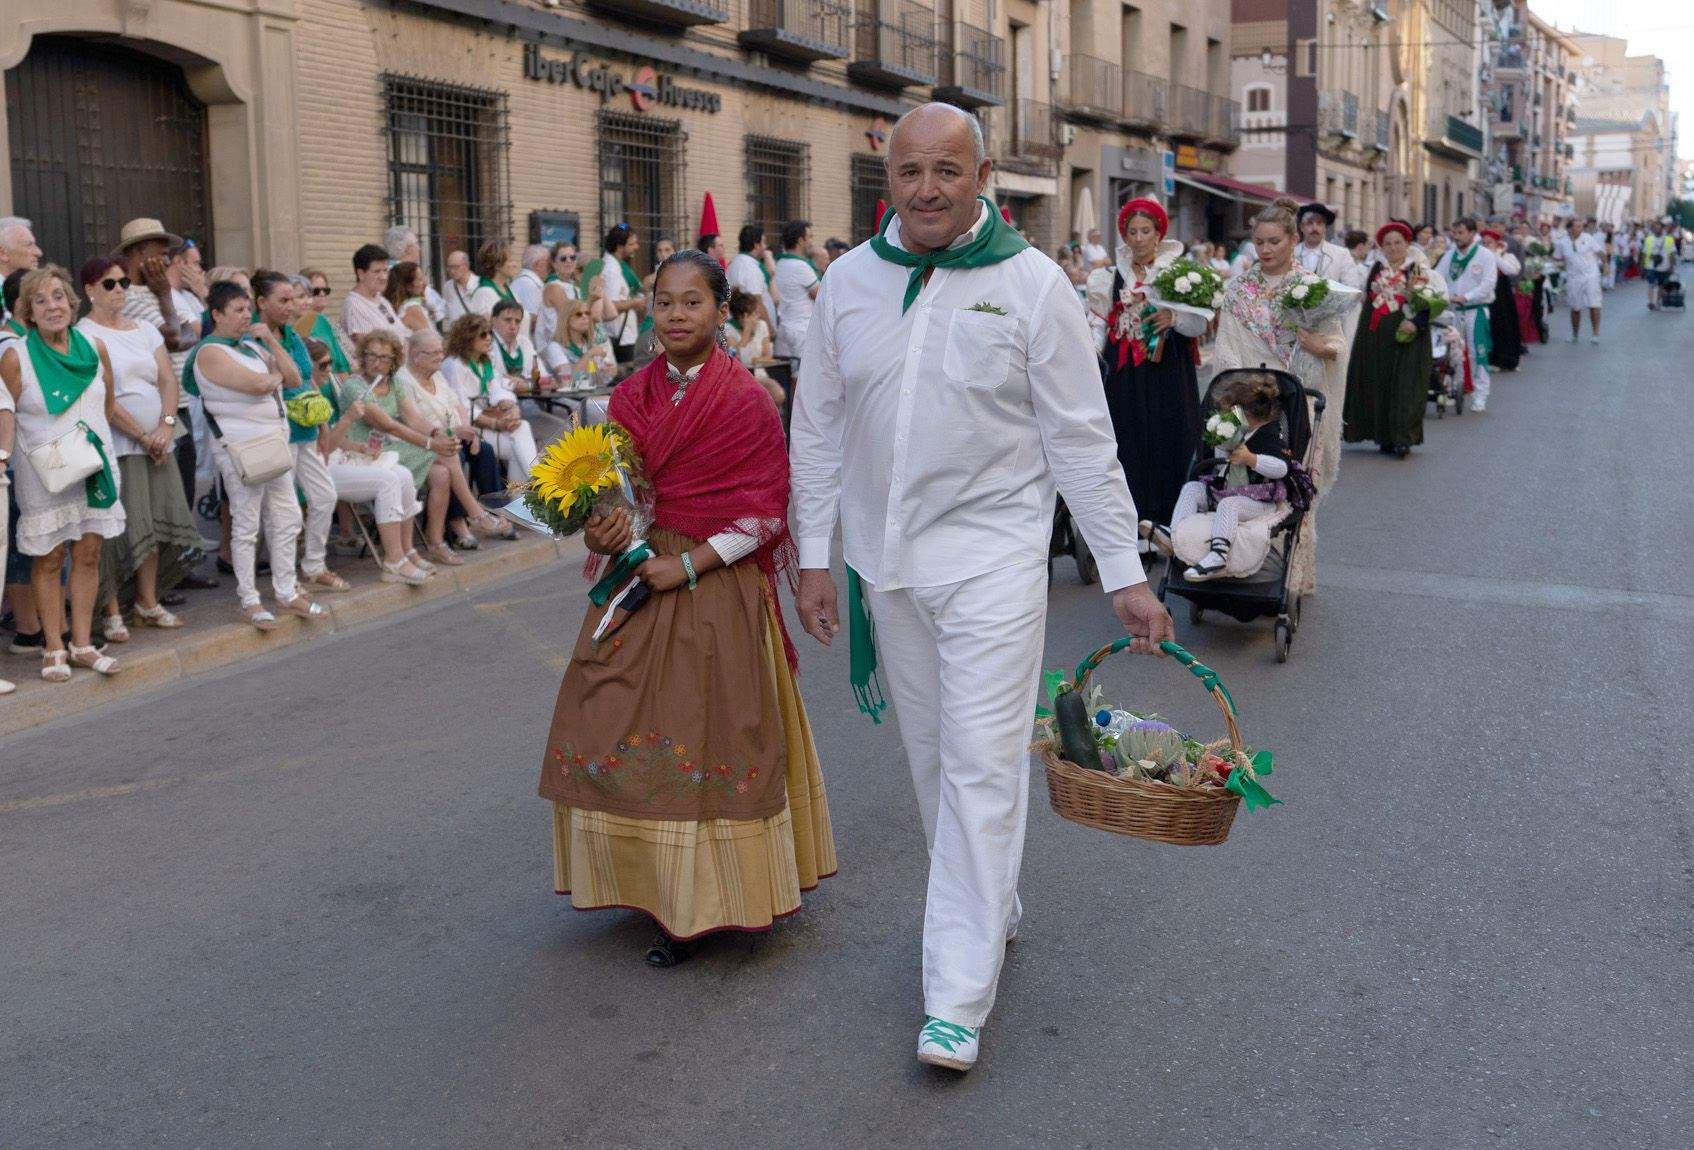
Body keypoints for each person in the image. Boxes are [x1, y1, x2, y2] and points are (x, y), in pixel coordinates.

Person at [789, 103, 1173, 1072]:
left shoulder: (1032, 286)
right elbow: (818, 425)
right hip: (887, 566)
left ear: (981, 174)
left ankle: (955, 991)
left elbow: (1081, 443)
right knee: (930, 758)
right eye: (909, 171)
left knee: (978, 762)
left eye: (945, 171)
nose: (926, 189)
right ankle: (988, 900)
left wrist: (1121, 571)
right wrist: (811, 550)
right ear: (887, 178)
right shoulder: (846, 283)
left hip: (996, 562)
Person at [539, 248, 836, 965]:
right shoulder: (631, 396)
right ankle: (648, 886)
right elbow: (620, 494)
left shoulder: (745, 400)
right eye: (664, 302)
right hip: (641, 571)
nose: (676, 315)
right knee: (606, 711)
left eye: (692, 302)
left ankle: (708, 903)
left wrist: (690, 565)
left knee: (707, 732)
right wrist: (606, 526)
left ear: (722, 311)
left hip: (715, 584)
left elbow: (767, 512)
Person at [1212, 195, 1348, 595]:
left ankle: (1291, 575)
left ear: (1293, 239)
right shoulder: (1238, 289)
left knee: (1294, 487)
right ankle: (1242, 565)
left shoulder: (1312, 289)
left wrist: (1318, 346)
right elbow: (1226, 347)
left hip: (1298, 399)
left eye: (1274, 241)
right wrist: (1237, 390)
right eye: (1260, 242)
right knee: (1244, 481)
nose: (1266, 250)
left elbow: (1336, 344)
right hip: (1249, 402)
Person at [3, 266, 128, 680]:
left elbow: (107, 406)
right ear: (29, 313)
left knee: (89, 554)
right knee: (49, 557)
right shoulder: (16, 356)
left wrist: (90, 442)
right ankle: (53, 645)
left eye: (58, 297)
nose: (52, 306)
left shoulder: (95, 346)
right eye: (41, 301)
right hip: (45, 474)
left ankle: (82, 644)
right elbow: (7, 415)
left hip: (93, 467)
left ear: (71, 304)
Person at [190, 280, 327, 631]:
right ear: (216, 314)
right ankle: (249, 599)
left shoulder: (252, 346)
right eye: (237, 310)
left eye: (247, 308)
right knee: (247, 523)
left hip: (272, 444)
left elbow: (297, 376)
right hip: (241, 449)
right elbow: (257, 385)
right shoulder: (210, 351)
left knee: (287, 516)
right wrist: (274, 377)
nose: (245, 315)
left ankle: (285, 591)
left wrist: (269, 341)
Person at [76, 257, 202, 635]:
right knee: (118, 527)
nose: (119, 290)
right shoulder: (84, 333)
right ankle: (111, 608)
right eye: (110, 284)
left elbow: (167, 379)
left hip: (160, 440)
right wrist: (143, 437)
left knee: (155, 522)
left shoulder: (146, 329)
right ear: (89, 290)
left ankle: (147, 601)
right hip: (119, 443)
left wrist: (164, 428)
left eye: (124, 283)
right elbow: (103, 397)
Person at [1094, 198, 1206, 555]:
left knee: (1171, 437)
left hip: (1168, 370)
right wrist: (1092, 356)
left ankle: (1173, 524)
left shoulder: (1179, 273)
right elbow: (1098, 322)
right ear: (1124, 235)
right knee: (1128, 441)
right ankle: (1135, 523)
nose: (1139, 238)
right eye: (1132, 232)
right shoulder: (1110, 276)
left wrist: (1174, 319)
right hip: (1126, 374)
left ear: (1159, 233)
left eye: (1146, 231)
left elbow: (1198, 323)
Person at [1148, 370, 1311, 579]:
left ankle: (1218, 556)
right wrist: (1222, 445)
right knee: (1192, 488)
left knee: (1229, 504)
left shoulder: (1270, 435)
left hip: (1259, 500)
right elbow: (1221, 464)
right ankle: (1174, 532)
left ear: (1245, 413)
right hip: (1228, 489)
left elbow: (1282, 468)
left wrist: (1252, 459)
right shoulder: (1240, 432)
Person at [250, 270, 348, 594]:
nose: (292, 307)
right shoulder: (254, 336)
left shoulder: (291, 335)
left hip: (306, 430)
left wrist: (323, 425)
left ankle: (313, 566)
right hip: (280, 433)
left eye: (293, 299)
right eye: (284, 300)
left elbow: (306, 381)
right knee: (285, 513)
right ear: (262, 303)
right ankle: (285, 579)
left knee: (324, 496)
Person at [305, 338, 432, 586]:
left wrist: (359, 447)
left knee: (404, 475)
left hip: (335, 460)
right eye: (323, 365)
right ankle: (393, 561)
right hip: (317, 468)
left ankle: (405, 552)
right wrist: (349, 418)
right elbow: (326, 446)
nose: (329, 370)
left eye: (330, 363)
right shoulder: (306, 396)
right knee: (387, 481)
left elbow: (334, 442)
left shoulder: (317, 391)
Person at [336, 329, 459, 572]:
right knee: (441, 457)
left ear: (394, 362)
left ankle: (434, 541)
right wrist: (431, 444)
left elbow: (413, 418)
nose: (377, 362)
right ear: (362, 356)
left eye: (385, 358)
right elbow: (387, 424)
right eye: (372, 356)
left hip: (390, 447)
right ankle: (409, 549)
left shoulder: (395, 383)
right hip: (361, 450)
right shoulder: (354, 385)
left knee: (442, 473)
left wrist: (436, 434)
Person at [395, 328, 511, 554]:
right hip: (422, 439)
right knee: (452, 452)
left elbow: (456, 404)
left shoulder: (437, 374)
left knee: (484, 450)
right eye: (434, 353)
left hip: (448, 432)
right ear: (417, 355)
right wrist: (448, 433)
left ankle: (495, 511)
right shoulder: (403, 380)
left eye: (441, 351)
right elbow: (414, 421)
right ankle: (462, 523)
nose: (441, 356)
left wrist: (468, 430)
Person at [1342, 221, 1447, 458]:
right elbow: (1367, 300)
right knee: (1380, 383)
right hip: (1377, 336)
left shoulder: (1418, 269)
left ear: (1407, 244)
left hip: (1408, 334)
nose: (1392, 247)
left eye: (1397, 242)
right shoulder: (1376, 268)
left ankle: (1403, 438)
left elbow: (1428, 302)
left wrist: (1416, 323)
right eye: (1387, 243)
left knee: (1405, 386)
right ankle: (1384, 436)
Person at [441, 313, 539, 489]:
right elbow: (461, 407)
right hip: (468, 427)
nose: (489, 339)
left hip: (491, 420)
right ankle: (538, 484)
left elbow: (499, 390)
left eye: (490, 334)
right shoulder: (453, 364)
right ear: (467, 337)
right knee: (519, 446)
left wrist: (511, 409)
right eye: (483, 335)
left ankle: (522, 497)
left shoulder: (485, 362)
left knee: (521, 428)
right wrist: (495, 423)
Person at [1435, 218, 1499, 413]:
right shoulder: (1449, 256)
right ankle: (1456, 390)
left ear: (1472, 233)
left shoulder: (1485, 255)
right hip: (1452, 311)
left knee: (1476, 353)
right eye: (1454, 232)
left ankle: (1480, 396)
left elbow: (1488, 283)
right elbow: (1437, 277)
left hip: (1475, 310)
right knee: (1453, 353)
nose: (1456, 236)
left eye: (1461, 232)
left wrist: (1466, 296)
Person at [726, 290, 786, 410]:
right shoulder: (728, 329)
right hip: (738, 377)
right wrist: (747, 332)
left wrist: (756, 360)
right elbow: (734, 356)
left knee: (778, 394)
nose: (757, 317)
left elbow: (768, 356)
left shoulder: (762, 325)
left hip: (759, 374)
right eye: (753, 313)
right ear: (742, 316)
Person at [772, 220, 822, 363]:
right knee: (802, 381)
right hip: (801, 331)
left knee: (787, 379)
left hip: (783, 330)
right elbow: (820, 295)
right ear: (801, 240)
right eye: (810, 237)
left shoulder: (780, 263)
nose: (812, 242)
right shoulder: (801, 266)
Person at [597, 225, 646, 364]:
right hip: (619, 336)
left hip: (624, 335)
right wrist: (635, 302)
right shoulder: (611, 270)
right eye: (632, 244)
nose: (636, 247)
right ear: (619, 246)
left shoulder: (616, 265)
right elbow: (611, 306)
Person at [1553, 217, 1605, 344]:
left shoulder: (1588, 238)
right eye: (1577, 226)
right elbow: (1557, 258)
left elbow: (1600, 253)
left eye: (1581, 226)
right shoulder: (1562, 242)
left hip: (1591, 275)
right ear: (1570, 228)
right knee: (1575, 307)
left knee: (1594, 304)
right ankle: (1575, 335)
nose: (1580, 229)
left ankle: (1595, 334)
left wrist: (1606, 265)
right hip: (1573, 277)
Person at [384, 226, 447, 328]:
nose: (419, 248)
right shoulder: (409, 274)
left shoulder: (384, 272)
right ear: (408, 249)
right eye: (417, 243)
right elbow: (438, 308)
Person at [341, 244, 407, 342]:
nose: (383, 277)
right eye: (377, 272)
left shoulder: (380, 299)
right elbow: (366, 350)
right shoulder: (354, 306)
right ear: (361, 274)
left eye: (385, 270)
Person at [544, 299, 616, 382]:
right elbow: (568, 378)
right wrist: (589, 354)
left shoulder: (591, 344)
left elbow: (599, 379)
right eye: (578, 314)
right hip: (567, 394)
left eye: (587, 313)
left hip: (592, 392)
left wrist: (610, 371)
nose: (584, 317)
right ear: (566, 320)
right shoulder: (554, 347)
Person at [489, 297, 550, 396]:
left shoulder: (524, 343)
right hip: (502, 404)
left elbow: (543, 377)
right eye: (507, 320)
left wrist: (527, 385)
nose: (513, 326)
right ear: (493, 320)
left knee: (578, 407)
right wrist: (529, 384)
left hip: (533, 398)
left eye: (517, 322)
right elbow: (492, 380)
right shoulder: (486, 343)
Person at [1482, 229, 1523, 374]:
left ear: (1496, 243)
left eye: (1489, 243)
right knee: (1490, 325)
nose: (1486, 245)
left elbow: (1511, 270)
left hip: (1502, 293)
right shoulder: (1479, 257)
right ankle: (1491, 358)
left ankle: (1508, 360)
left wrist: (1495, 255)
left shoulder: (1507, 255)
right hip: (1487, 292)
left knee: (1506, 325)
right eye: (1484, 243)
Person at [727, 225, 774, 335]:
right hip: (751, 332)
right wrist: (770, 330)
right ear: (756, 245)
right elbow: (756, 301)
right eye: (764, 243)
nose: (765, 247)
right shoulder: (748, 267)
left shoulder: (739, 262)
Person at [465, 240, 521, 324]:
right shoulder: (484, 293)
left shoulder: (509, 290)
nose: (515, 265)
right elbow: (483, 328)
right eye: (510, 261)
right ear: (497, 265)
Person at [512, 243, 550, 340]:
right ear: (538, 265)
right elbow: (531, 321)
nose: (551, 267)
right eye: (548, 262)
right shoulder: (528, 284)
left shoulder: (528, 282)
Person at [383, 261, 433, 333]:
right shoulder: (412, 308)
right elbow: (431, 339)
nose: (425, 283)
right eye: (420, 279)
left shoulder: (392, 306)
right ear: (408, 286)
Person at [1643, 219, 1675, 310]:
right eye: (1655, 228)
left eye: (1658, 228)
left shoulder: (1669, 239)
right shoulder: (1648, 239)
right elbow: (1644, 253)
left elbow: (1671, 254)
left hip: (1664, 266)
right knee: (1651, 284)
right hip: (1651, 266)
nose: (1657, 230)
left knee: (1661, 285)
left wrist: (1671, 266)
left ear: (1662, 229)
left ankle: (1657, 302)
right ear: (1653, 229)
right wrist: (1642, 267)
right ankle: (1651, 302)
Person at [441, 250, 475, 326]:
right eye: (449, 267)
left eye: (456, 267)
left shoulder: (480, 285)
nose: (452, 271)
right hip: (457, 334)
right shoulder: (447, 287)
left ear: (466, 266)